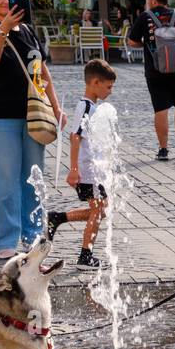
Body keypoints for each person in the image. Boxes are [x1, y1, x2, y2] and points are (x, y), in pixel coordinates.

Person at [0, 0, 65, 259]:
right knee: (5, 179)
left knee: (32, 178)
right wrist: (3, 29)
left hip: (33, 115)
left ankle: (32, 234)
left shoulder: (27, 30)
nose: (5, 1)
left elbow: (42, 71)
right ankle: (5, 240)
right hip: (1, 115)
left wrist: (57, 106)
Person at [46, 58, 116, 271]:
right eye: (108, 86)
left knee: (101, 210)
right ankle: (85, 256)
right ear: (95, 82)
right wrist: (74, 170)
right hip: (87, 171)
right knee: (98, 209)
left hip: (93, 170)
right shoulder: (85, 106)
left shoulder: (92, 106)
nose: (110, 91)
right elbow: (75, 137)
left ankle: (57, 218)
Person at [127, 0, 175, 161]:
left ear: (153, 0)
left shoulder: (145, 18)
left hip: (155, 71)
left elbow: (132, 42)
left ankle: (163, 149)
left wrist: (148, 44)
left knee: (160, 109)